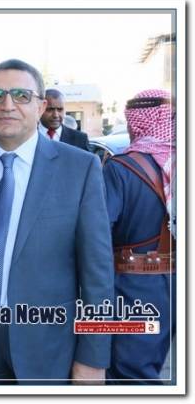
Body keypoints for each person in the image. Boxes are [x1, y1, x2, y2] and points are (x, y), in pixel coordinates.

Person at [0, 59, 114, 384]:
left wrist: (93, 355)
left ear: (40, 106)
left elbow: (97, 273)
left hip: (49, 344)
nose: (7, 105)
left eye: (21, 95)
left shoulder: (80, 168)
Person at [103, 89, 176, 384]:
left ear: (135, 121)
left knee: (129, 374)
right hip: (175, 284)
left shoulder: (120, 168)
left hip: (133, 286)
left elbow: (100, 232)